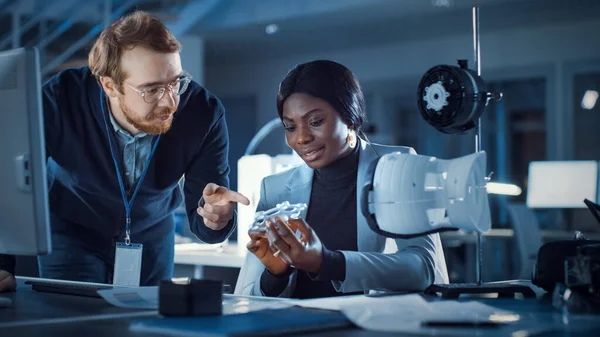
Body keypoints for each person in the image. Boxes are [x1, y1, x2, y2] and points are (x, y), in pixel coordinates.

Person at [0, 11, 249, 292]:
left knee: (143, 325)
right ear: (109, 86)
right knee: (72, 322)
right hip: (73, 231)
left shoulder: (204, 111)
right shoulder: (60, 99)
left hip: (152, 236)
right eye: (152, 90)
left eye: (176, 82)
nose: (171, 102)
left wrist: (217, 219)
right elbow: (7, 181)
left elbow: (206, 218)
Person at [234, 60, 448, 298]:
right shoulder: (274, 189)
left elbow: (423, 269)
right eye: (290, 127)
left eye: (315, 122)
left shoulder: (399, 166)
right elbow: (249, 296)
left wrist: (326, 262)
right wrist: (275, 275)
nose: (301, 138)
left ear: (349, 116)